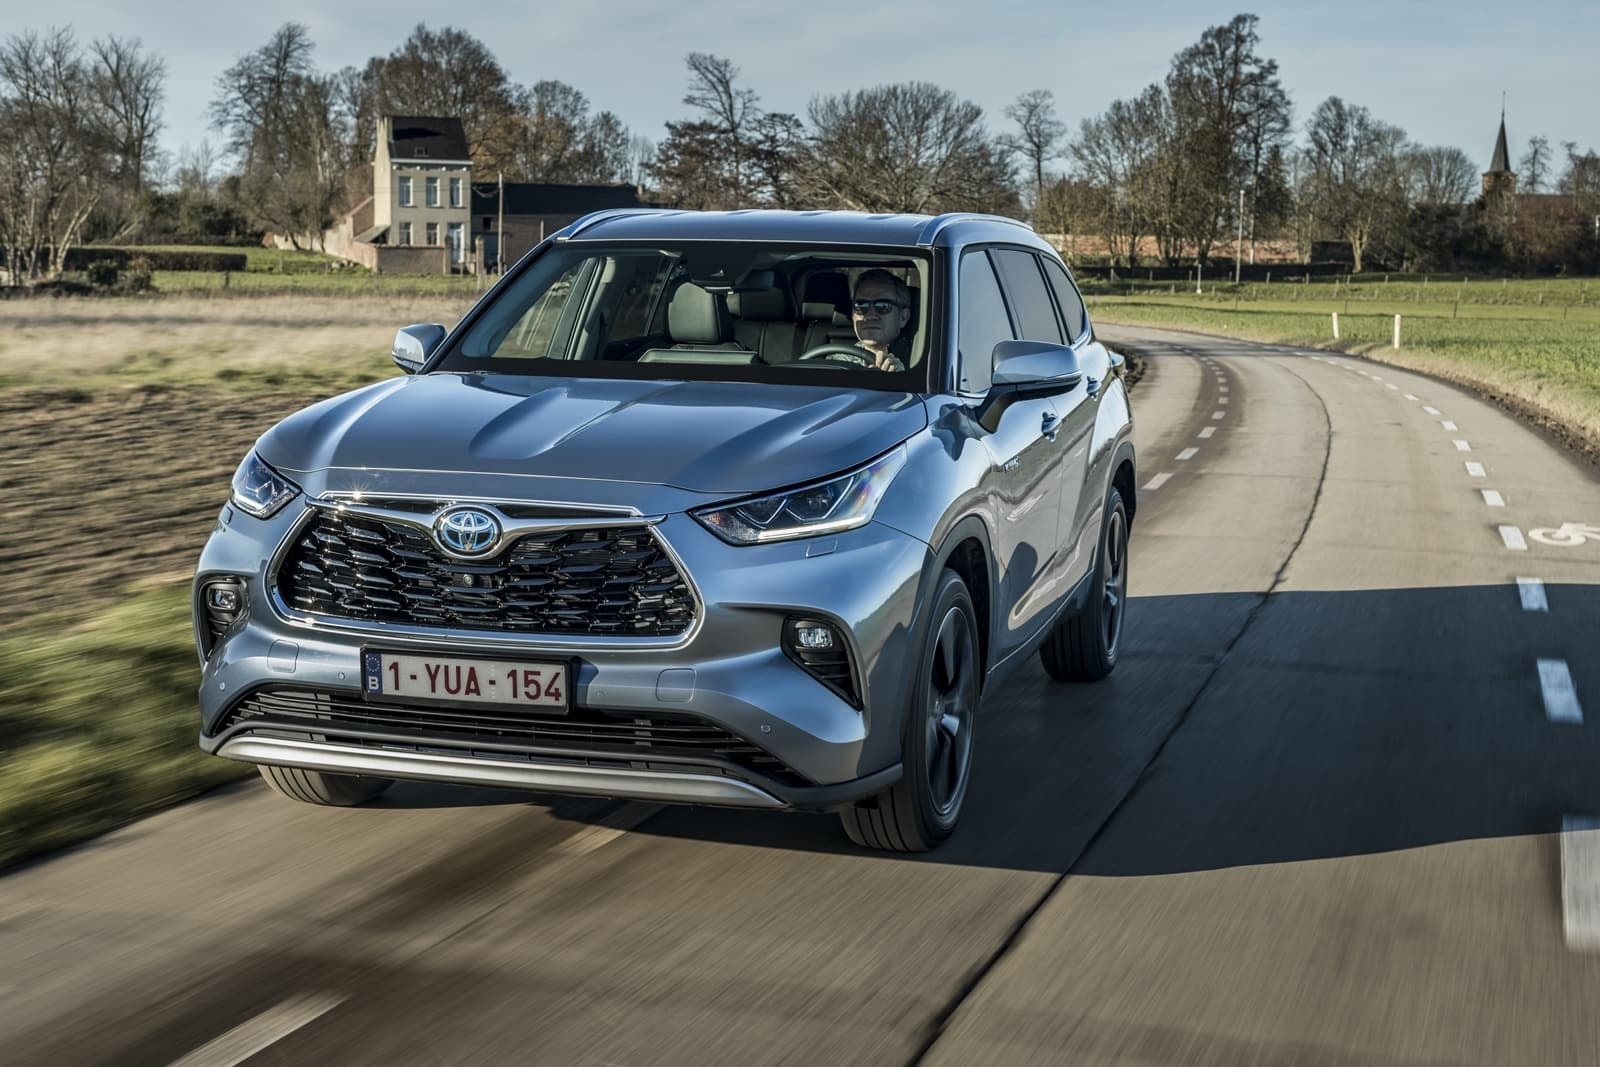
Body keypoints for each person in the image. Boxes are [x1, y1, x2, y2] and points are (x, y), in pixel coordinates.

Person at [849, 269, 913, 371]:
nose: (870, 316)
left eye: (883, 306)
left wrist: (902, 379)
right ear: (852, 315)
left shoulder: (923, 363)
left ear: (903, 317)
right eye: (861, 306)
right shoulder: (834, 360)